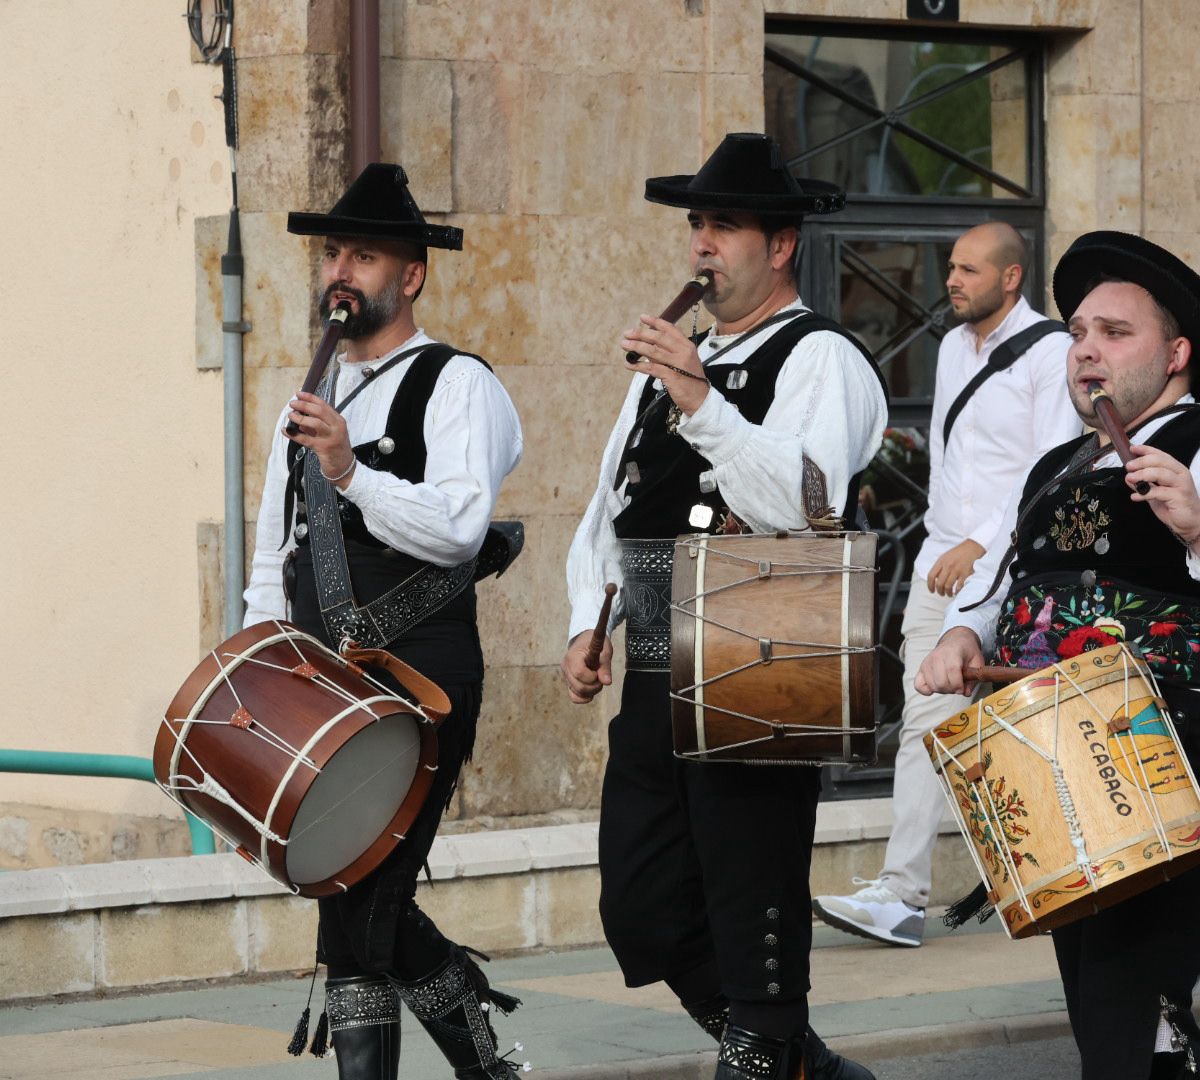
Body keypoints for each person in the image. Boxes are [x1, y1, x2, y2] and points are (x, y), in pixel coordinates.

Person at [916, 231, 1200, 1079]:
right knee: (1120, 1012)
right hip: (1055, 774)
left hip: (1171, 774)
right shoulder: (1055, 468)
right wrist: (965, 633)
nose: (1086, 353)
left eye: (1114, 333)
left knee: (1113, 1009)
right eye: (1077, 334)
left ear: (1176, 353)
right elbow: (997, 585)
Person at [562, 133, 884, 1080]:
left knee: (753, 895)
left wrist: (702, 400)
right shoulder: (677, 364)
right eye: (697, 225)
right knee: (642, 902)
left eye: (726, 227)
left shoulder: (826, 359)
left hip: (764, 646)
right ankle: (803, 1065)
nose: (703, 245)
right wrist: (594, 617)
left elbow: (806, 502)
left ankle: (764, 1045)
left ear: (780, 246)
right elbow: (613, 501)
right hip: (661, 650)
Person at [243, 163, 526, 1080]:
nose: (342, 268)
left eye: (364, 254)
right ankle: (477, 1065)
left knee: (370, 903)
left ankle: (487, 1067)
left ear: (412, 276)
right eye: (334, 251)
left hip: (421, 679)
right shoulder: (311, 394)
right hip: (320, 685)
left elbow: (457, 529)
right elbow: (272, 549)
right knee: (348, 901)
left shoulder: (457, 385)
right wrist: (257, 657)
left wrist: (352, 470)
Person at [813, 222, 1078, 948]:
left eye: (967, 269)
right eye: (952, 267)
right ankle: (902, 894)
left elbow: (1052, 467)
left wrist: (980, 542)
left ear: (1011, 277)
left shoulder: (1050, 355)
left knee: (1017, 731)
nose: (952, 280)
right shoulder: (956, 347)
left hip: (1007, 569)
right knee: (923, 721)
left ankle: (1040, 879)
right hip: (941, 561)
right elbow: (958, 460)